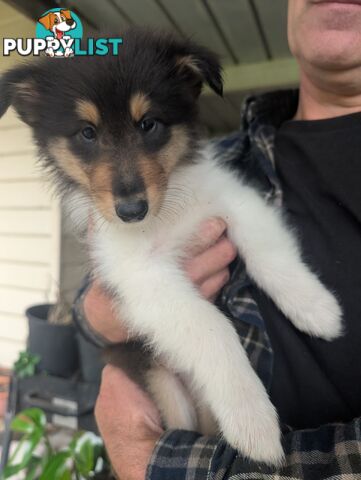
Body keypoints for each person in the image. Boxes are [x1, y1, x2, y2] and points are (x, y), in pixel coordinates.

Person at [73, 0, 361, 477]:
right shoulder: (229, 155)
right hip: (174, 395)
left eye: (148, 127)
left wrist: (155, 462)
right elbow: (96, 303)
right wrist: (97, 312)